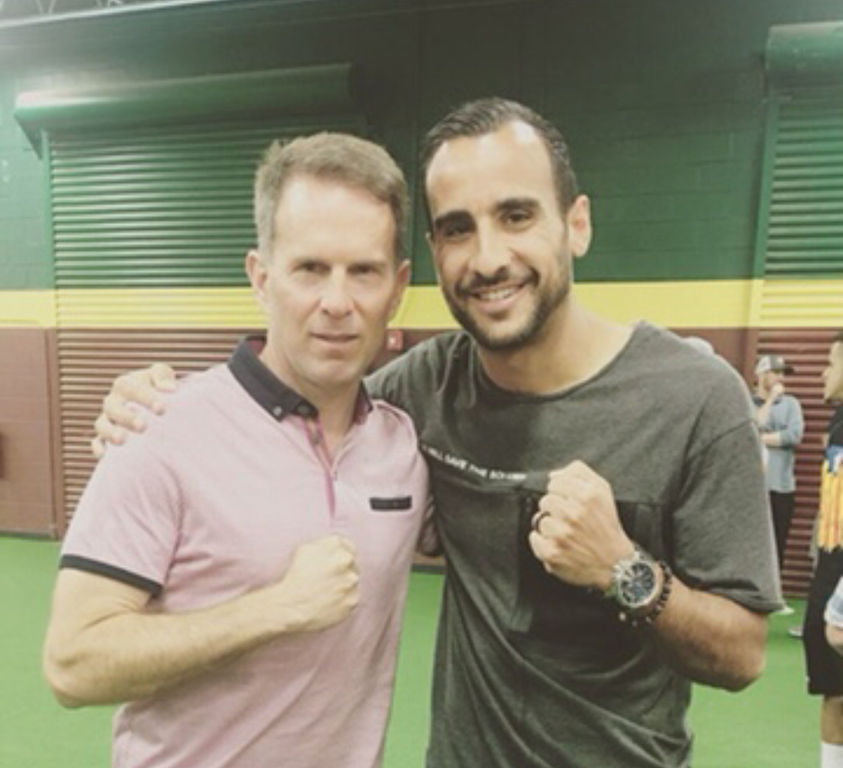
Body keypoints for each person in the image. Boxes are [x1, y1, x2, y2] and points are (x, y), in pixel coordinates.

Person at [91, 98, 781, 768]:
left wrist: (622, 569)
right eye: (457, 229)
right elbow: (296, 399)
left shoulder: (696, 398)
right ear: (430, 254)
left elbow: (742, 655)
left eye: (516, 216)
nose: (487, 258)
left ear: (577, 224)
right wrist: (154, 404)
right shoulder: (417, 391)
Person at [42, 133, 433, 768]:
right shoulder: (159, 427)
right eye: (310, 269)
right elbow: (73, 662)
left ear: (398, 287)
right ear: (261, 277)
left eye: (363, 271)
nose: (337, 302)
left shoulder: (403, 447)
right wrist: (273, 610)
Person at [800, 331, 843, 768]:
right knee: (835, 688)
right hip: (832, 564)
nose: (823, 373)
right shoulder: (838, 422)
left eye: (832, 362)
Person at [753, 354, 805, 595]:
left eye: (783, 373)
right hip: (753, 488)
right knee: (752, 543)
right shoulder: (748, 401)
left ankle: (772, 594)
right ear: (762, 374)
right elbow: (751, 426)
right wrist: (771, 399)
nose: (780, 378)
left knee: (778, 542)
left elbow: (794, 435)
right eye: (775, 372)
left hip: (782, 487)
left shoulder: (791, 404)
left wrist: (760, 438)